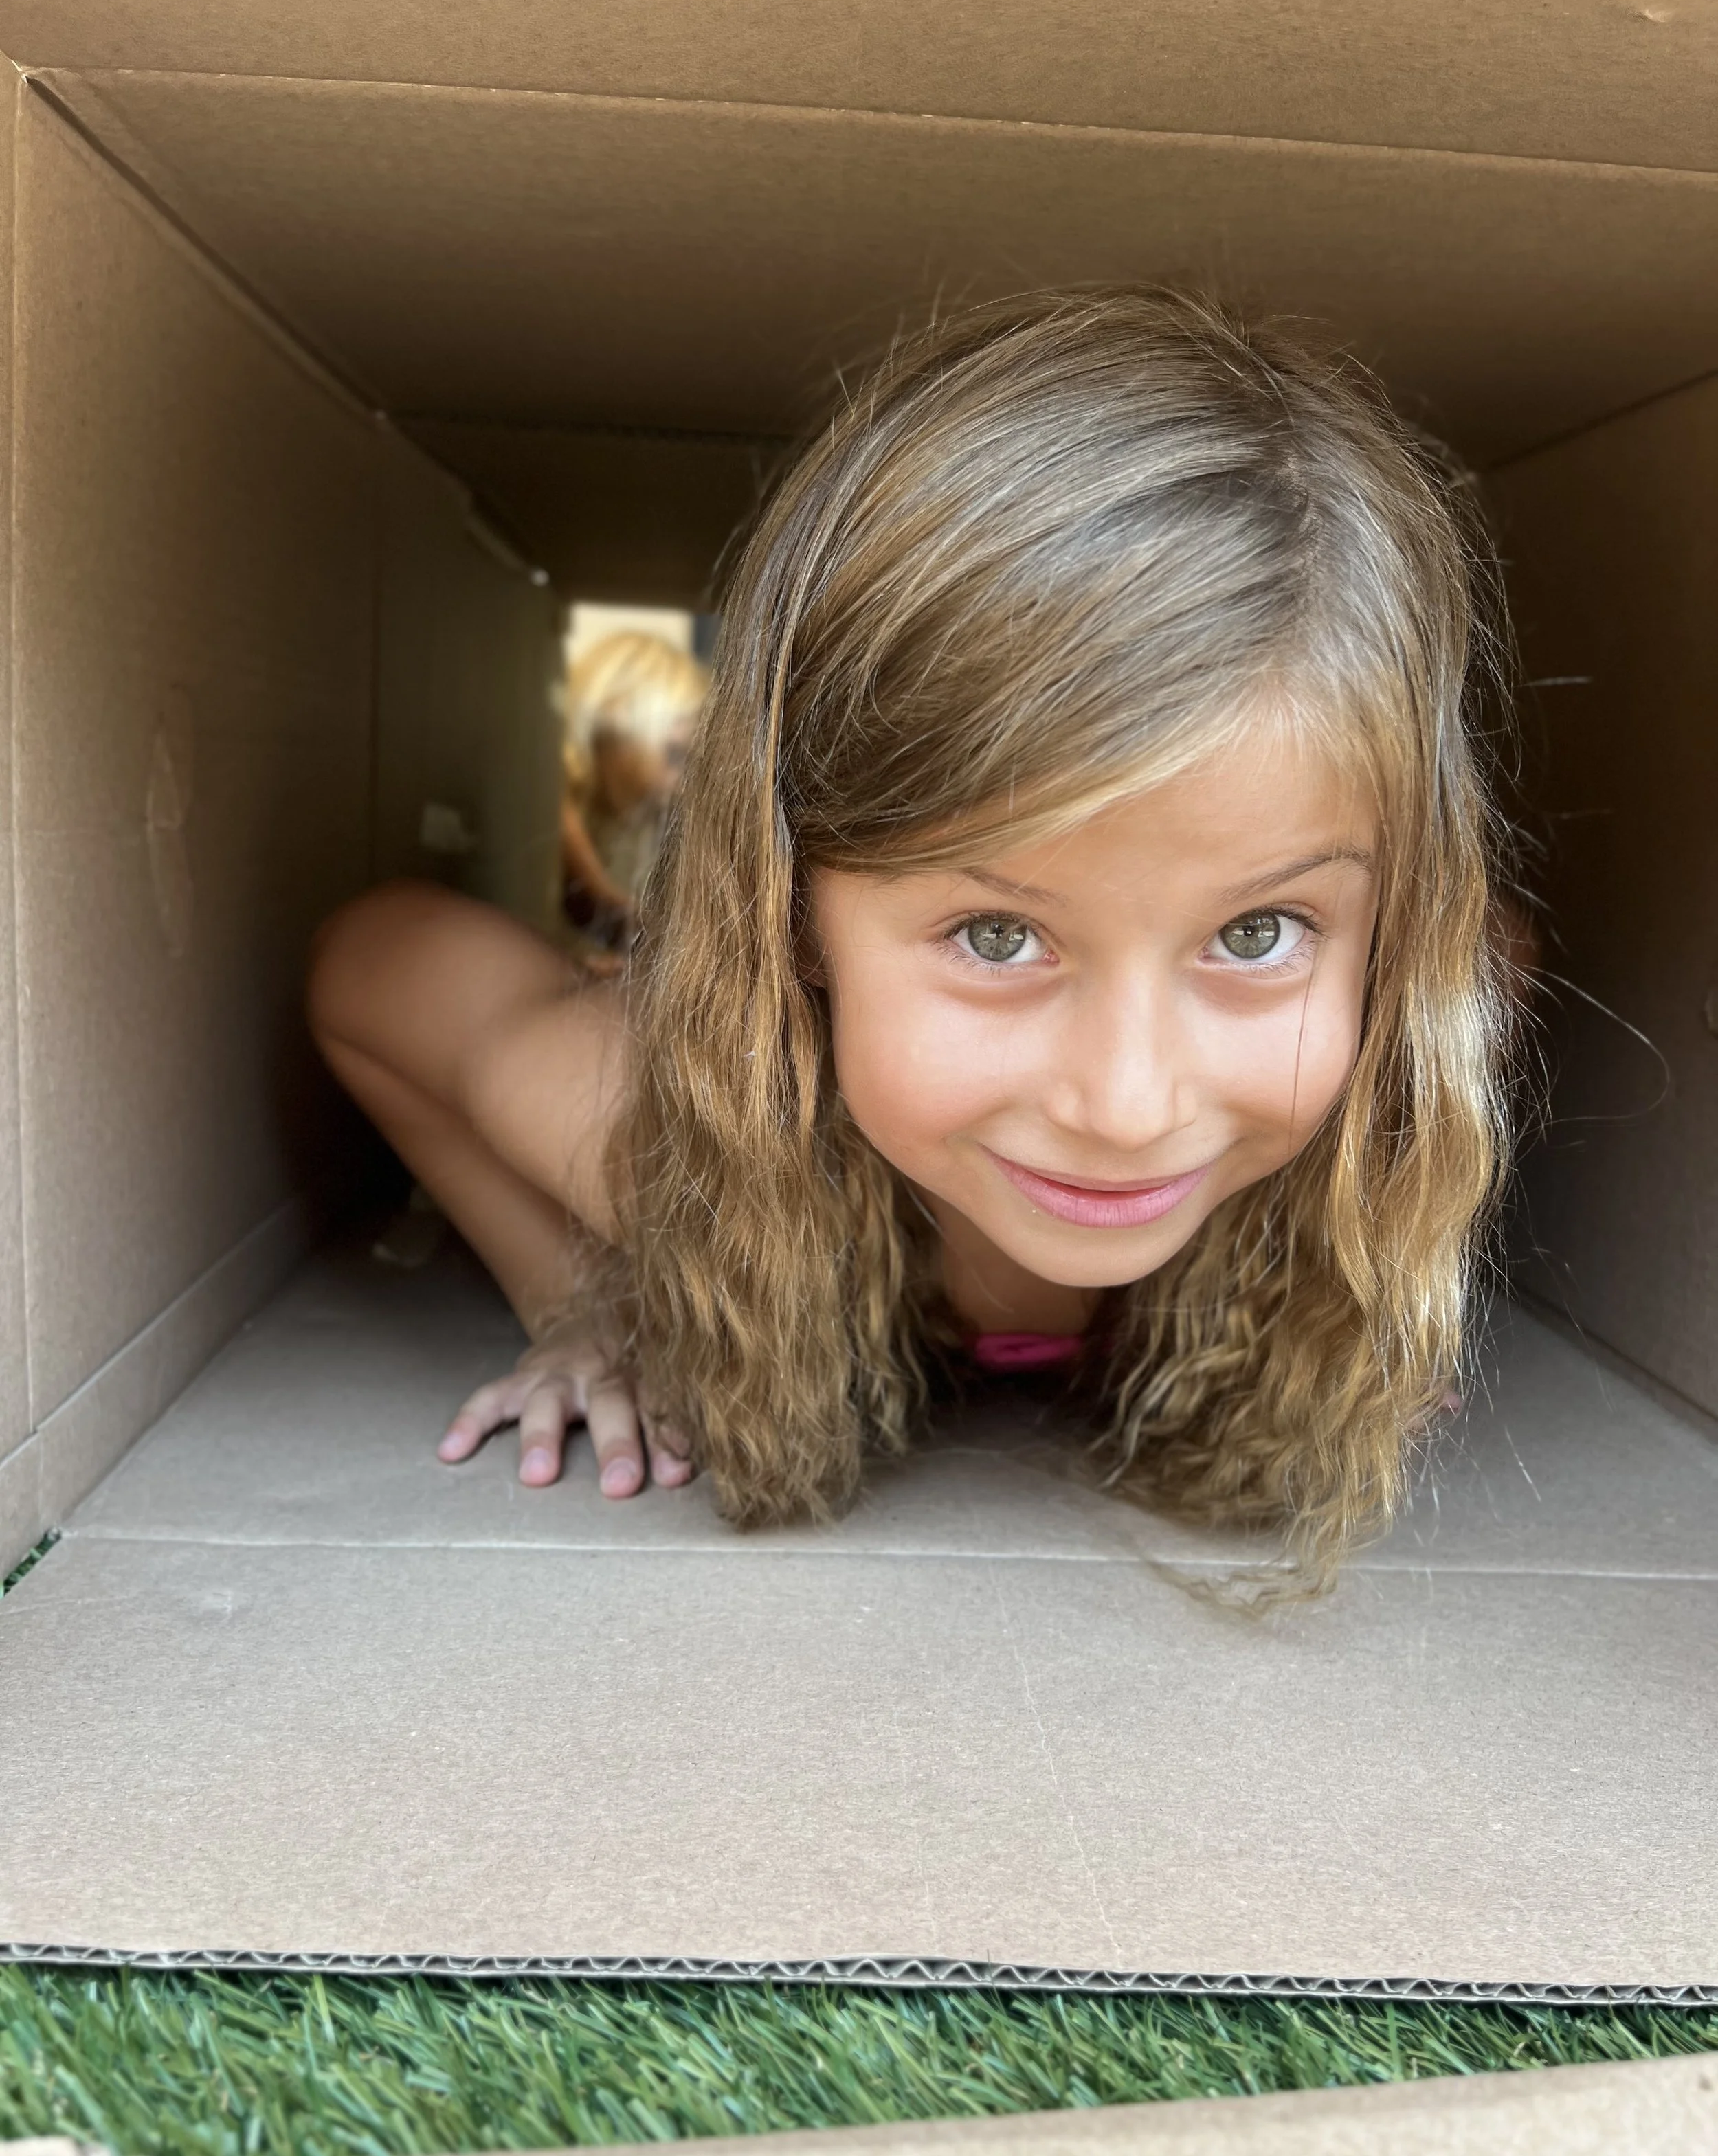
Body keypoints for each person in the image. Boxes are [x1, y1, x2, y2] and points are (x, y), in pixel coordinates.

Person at [309, 289, 1519, 1592]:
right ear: (793, 910)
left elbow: (1501, 951)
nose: (1125, 1104)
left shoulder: (1384, 1095)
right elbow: (371, 969)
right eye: (997, 935)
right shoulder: (677, 1149)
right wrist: (580, 1302)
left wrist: (1380, 1273)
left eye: (1259, 928)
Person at [557, 627, 709, 973]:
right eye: (674, 755)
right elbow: (599, 910)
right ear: (618, 730)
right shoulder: (555, 809)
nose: (682, 784)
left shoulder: (623, 819)